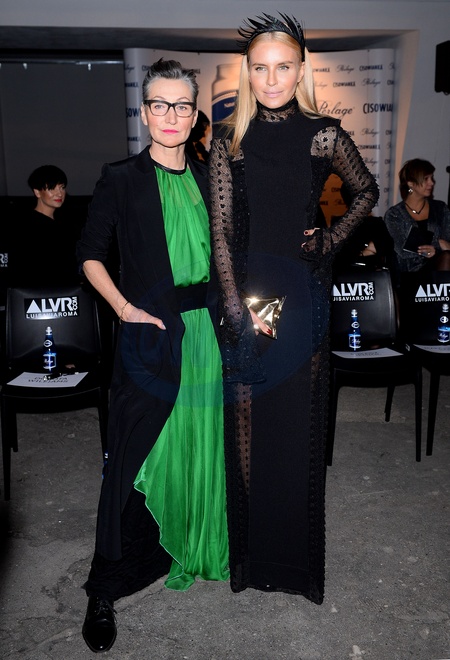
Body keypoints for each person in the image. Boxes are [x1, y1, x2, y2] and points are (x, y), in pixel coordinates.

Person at [208, 13, 379, 604]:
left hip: (302, 296)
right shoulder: (228, 140)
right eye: (261, 68)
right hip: (246, 297)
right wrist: (234, 310)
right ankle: (253, 561)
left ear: (301, 70)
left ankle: (296, 567)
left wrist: (332, 239)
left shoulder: (323, 135)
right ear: (247, 72)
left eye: (283, 67)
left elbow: (367, 192)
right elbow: (221, 233)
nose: (272, 78)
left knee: (298, 431)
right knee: (248, 428)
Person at [77, 59, 229, 653]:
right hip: (149, 334)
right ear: (144, 113)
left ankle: (188, 546)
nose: (170, 115)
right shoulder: (121, 178)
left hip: (206, 335)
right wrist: (123, 308)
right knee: (131, 457)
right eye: (159, 104)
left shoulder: (210, 178)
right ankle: (103, 588)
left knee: (198, 446)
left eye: (181, 106)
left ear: (194, 117)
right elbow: (90, 254)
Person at [7, 165, 79, 285]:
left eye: (62, 188)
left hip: (67, 290)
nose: (59, 194)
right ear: (37, 192)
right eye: (52, 188)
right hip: (38, 291)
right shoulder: (25, 227)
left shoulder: (68, 224)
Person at [384, 159, 450, 284]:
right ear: (411, 183)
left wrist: (435, 249)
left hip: (439, 266)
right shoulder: (394, 214)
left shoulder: (440, 208)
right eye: (426, 179)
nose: (431, 183)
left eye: (431, 178)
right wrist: (436, 244)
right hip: (409, 273)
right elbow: (402, 250)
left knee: (446, 257)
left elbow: (447, 243)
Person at [332, 183, 394, 272]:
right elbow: (338, 260)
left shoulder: (376, 224)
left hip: (374, 277)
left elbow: (388, 252)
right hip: (348, 276)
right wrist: (365, 252)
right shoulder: (338, 226)